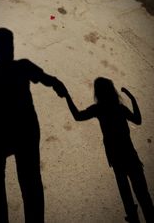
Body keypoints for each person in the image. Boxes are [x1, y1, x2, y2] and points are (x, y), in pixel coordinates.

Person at [0, 28, 64, 223]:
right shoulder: (23, 66)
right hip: (24, 131)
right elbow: (48, 80)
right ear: (12, 46)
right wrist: (58, 86)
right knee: (31, 182)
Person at [62, 77, 154, 223]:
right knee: (144, 196)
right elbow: (138, 120)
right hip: (130, 156)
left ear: (98, 93)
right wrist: (132, 98)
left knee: (127, 198)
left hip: (116, 160)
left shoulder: (99, 109)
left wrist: (67, 96)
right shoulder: (120, 108)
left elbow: (77, 116)